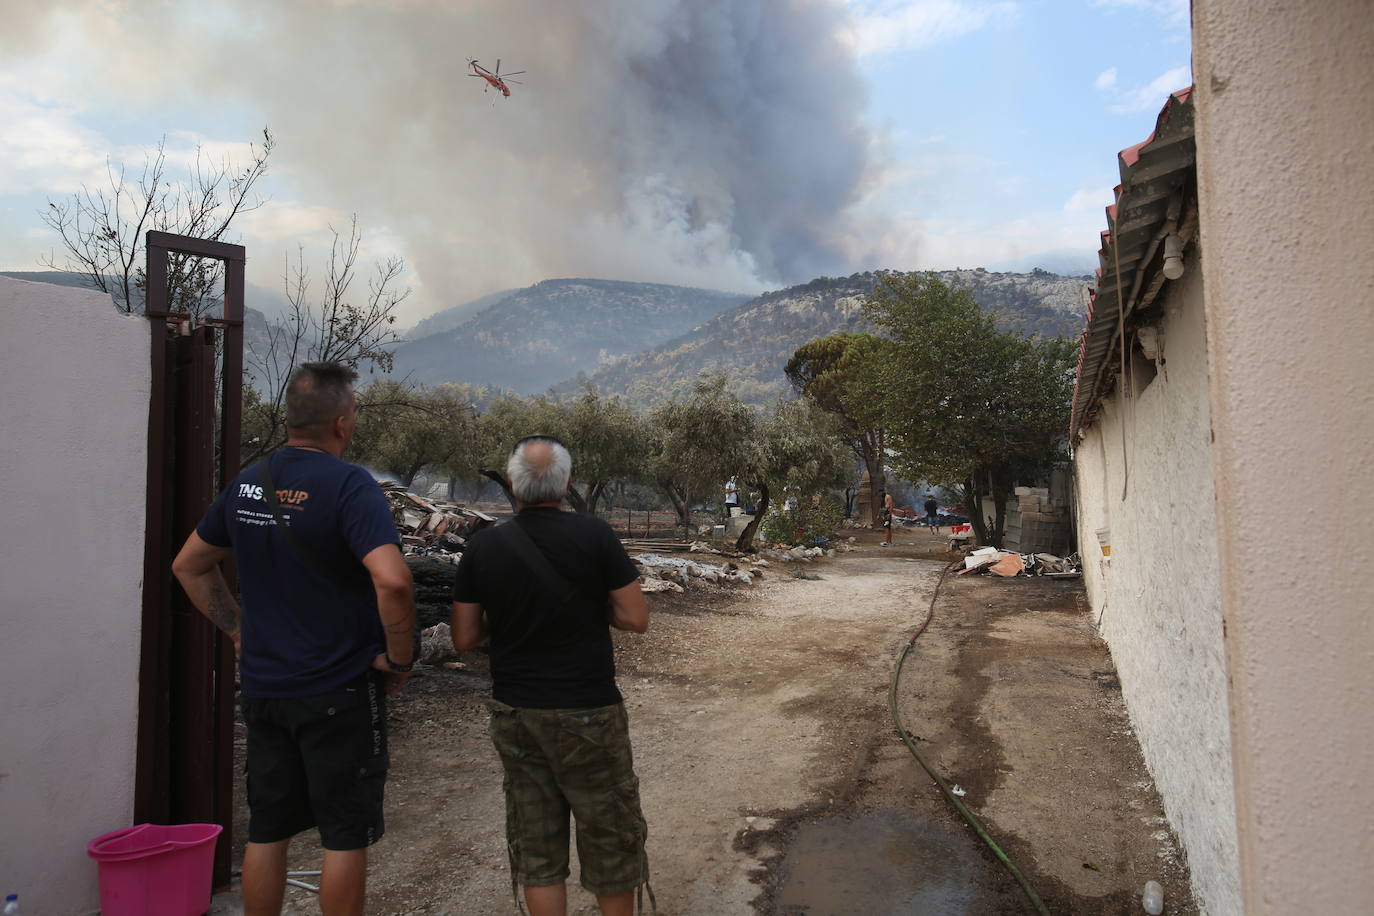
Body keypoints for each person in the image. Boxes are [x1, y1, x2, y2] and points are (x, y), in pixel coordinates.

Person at [172, 361, 415, 916]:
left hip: (264, 691)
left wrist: (238, 630)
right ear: (341, 423)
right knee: (343, 836)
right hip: (339, 691)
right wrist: (399, 659)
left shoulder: (249, 481)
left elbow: (189, 565)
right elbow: (394, 581)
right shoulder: (350, 485)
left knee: (267, 831)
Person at [451, 436, 652, 916]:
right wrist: (590, 604)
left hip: (517, 711)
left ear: (513, 486)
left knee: (538, 845)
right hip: (589, 710)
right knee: (609, 834)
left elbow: (463, 637)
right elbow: (635, 617)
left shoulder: (483, 547)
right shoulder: (596, 536)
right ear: (567, 483)